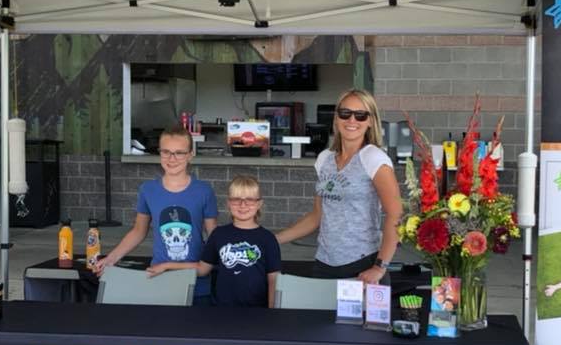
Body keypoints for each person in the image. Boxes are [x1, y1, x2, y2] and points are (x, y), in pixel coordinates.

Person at [276, 89, 402, 286]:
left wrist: (380, 266)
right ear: (336, 118)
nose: (352, 120)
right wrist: (274, 240)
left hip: (362, 264)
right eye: (345, 113)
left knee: (358, 318)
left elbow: (396, 216)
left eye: (361, 115)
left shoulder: (373, 158)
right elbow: (317, 216)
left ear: (370, 121)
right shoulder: (324, 159)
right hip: (324, 262)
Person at [94, 127, 218, 304]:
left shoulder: (204, 191)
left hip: (196, 281)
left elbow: (214, 236)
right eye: (166, 152)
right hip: (159, 276)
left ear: (190, 155)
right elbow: (138, 231)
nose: (172, 159)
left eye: (179, 153)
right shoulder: (148, 190)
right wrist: (111, 258)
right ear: (159, 153)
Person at [152, 174, 280, 307]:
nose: (243, 205)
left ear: (259, 203)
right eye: (236, 199)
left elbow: (273, 279)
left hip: (257, 310)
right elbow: (202, 269)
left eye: (250, 200)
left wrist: (271, 312)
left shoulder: (267, 238)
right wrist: (166, 265)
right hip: (221, 309)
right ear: (229, 203)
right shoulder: (219, 234)